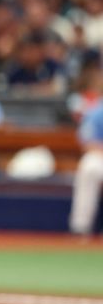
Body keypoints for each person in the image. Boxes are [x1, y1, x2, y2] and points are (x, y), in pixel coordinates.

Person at [68, 100, 103, 237]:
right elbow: (88, 143)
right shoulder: (97, 112)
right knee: (89, 166)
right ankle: (80, 227)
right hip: (100, 156)